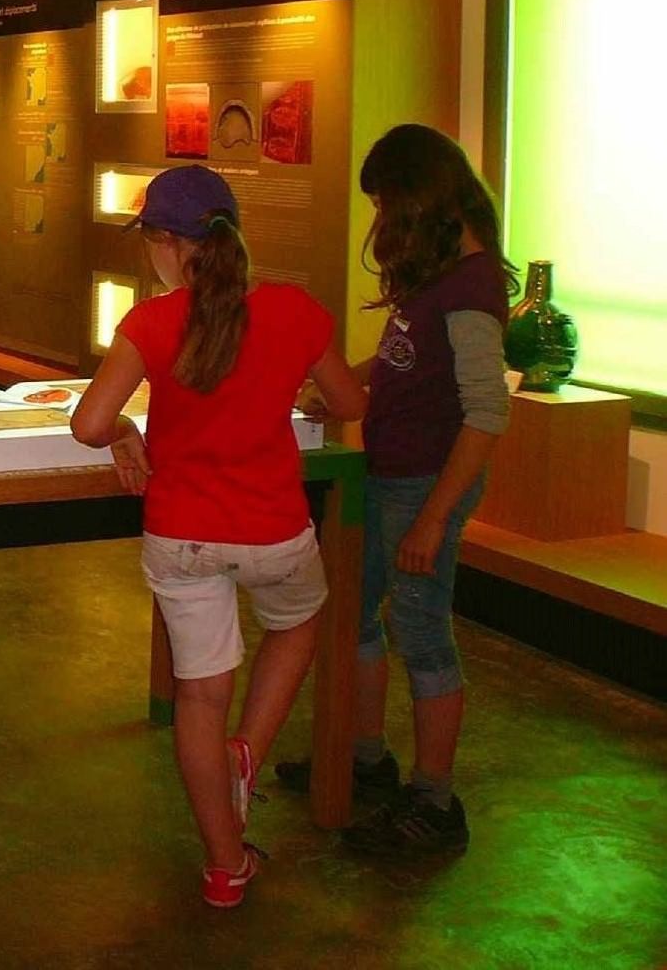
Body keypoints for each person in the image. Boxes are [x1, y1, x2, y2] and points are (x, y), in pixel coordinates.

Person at [70, 165, 365, 908]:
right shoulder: (295, 311)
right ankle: (248, 752)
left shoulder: (152, 323)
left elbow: (89, 423)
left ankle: (224, 867)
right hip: (274, 529)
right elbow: (351, 400)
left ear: (168, 243)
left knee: (199, 697)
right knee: (297, 622)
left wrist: (128, 429)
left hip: (182, 535)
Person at [276, 124, 514, 858]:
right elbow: (402, 351)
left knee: (423, 635)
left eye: (385, 203)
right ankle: (366, 755)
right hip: (390, 472)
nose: (380, 220)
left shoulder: (472, 288)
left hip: (426, 486)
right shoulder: (437, 271)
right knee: (354, 610)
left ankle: (435, 800)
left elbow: (486, 414)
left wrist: (433, 521)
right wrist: (341, 382)